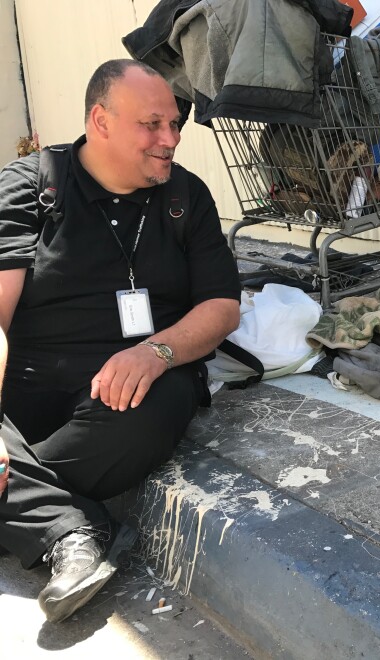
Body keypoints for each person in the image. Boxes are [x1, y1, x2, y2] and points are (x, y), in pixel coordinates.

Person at [0, 59, 241, 621]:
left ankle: (29, 508)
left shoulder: (186, 196)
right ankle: (72, 532)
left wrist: (155, 352)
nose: (171, 140)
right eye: (152, 125)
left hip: (135, 389)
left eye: (175, 125)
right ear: (100, 121)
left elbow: (222, 306)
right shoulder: (33, 186)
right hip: (29, 383)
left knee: (156, 409)